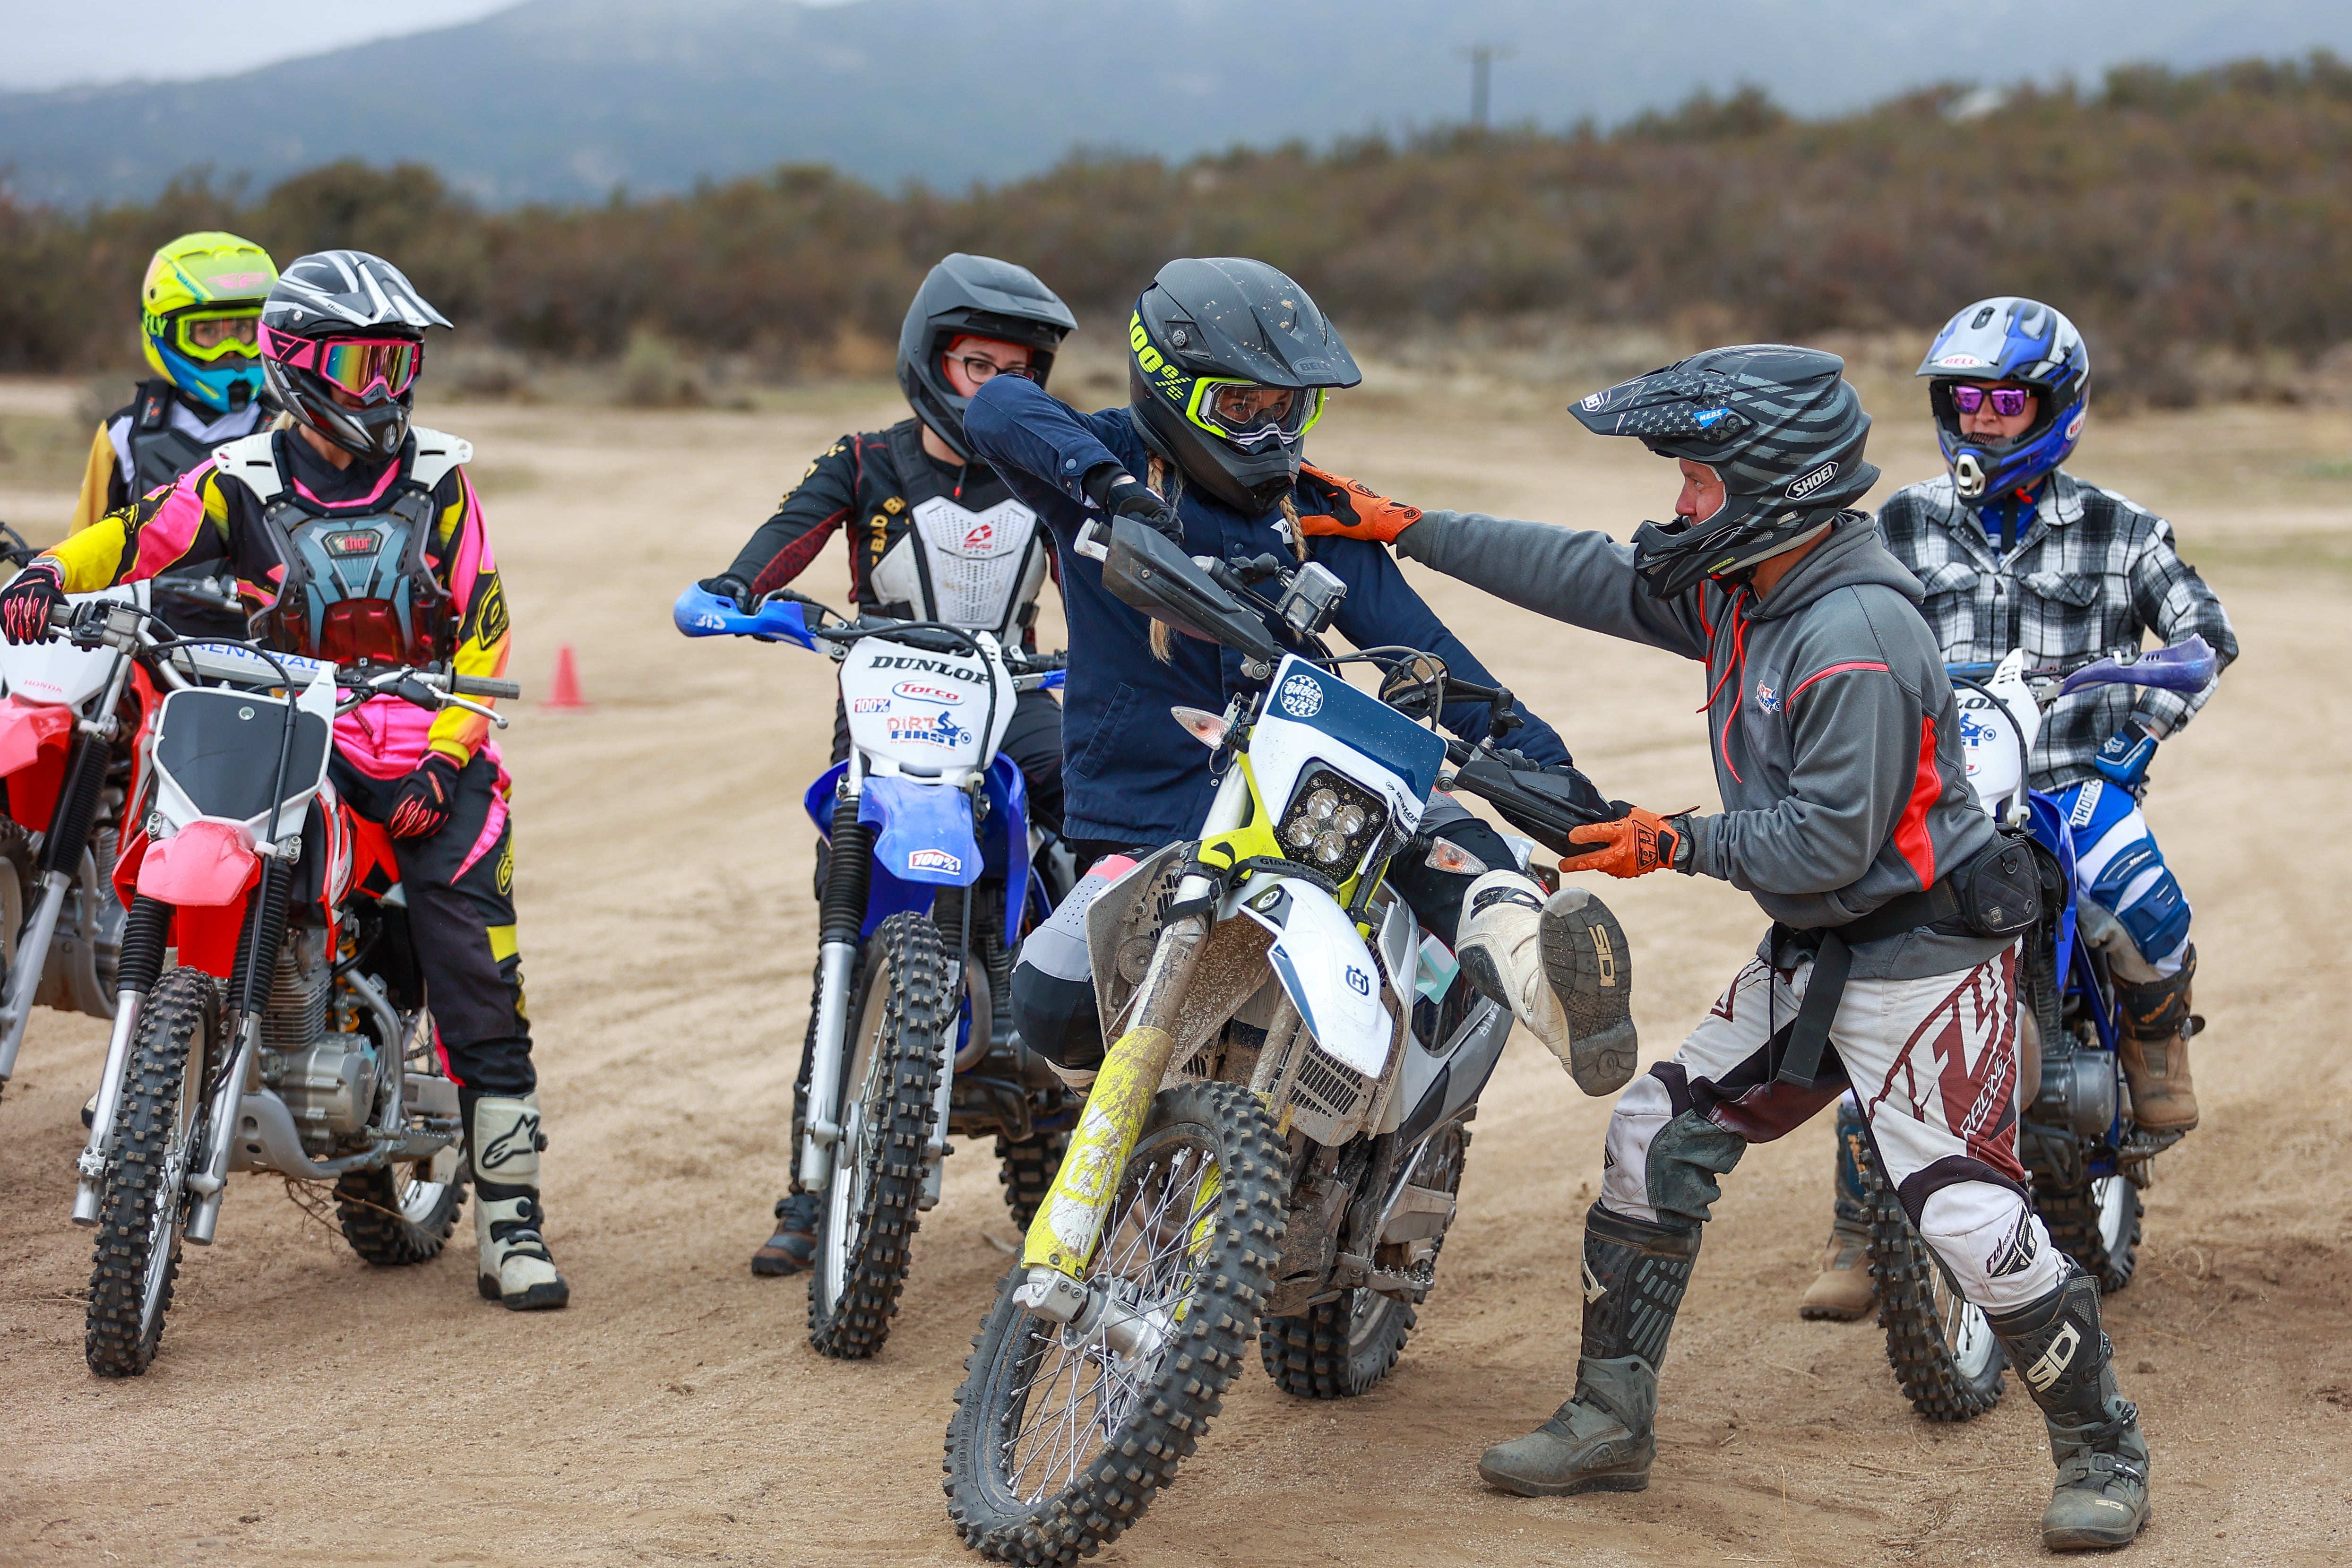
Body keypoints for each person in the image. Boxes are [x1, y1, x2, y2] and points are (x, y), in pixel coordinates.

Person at [1298, 345, 2150, 1551]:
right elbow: (1592, 575)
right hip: (1823, 951)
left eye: (1697, 480)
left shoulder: (1851, 630)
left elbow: (1828, 846)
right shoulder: (1751, 583)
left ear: (1772, 486)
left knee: (1966, 1219)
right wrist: (1411, 528)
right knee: (1653, 1134)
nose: (1679, 504)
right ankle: (1609, 1422)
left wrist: (1670, 842)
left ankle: (2105, 1450)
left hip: (1920, 956)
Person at [0, 250, 566, 1313]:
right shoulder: (241, 480)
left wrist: (445, 758)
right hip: (287, 718)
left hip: (416, 743)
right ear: (299, 364)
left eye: (399, 363)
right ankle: (173, 1067)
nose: (386, 387)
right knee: (181, 829)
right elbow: (136, 534)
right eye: (361, 364)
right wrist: (45, 574)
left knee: (472, 947)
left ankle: (511, 1220)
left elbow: (484, 631)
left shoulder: (442, 484)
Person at [966, 255, 1636, 1100]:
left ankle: (1552, 995)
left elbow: (1430, 656)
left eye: (1283, 407)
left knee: (1467, 847)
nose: (1266, 431)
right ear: (1168, 385)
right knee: (1053, 1005)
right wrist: (1118, 494)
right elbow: (997, 405)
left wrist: (1555, 778)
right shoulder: (1104, 466)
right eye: (1238, 406)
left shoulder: (1310, 511)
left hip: (1312, 793)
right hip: (1153, 816)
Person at [1794, 297, 2238, 1322]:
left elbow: (2202, 634)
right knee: (1861, 956)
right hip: (1932, 791)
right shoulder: (1894, 522)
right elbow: (1827, 621)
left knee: (2133, 886)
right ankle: (1861, 1229)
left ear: (2054, 407)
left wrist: (2141, 720)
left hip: (2068, 781)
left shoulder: (2124, 531)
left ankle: (2153, 1043)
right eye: (1964, 400)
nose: (1983, 420)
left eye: (2006, 399)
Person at [696, 253, 1081, 1278]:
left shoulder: (1056, 465)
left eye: (1020, 374)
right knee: (846, 905)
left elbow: (1120, 563)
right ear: (930, 360)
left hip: (1016, 694)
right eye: (976, 365)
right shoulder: (865, 460)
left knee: (1090, 824)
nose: (998, 389)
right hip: (889, 699)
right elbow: (782, 540)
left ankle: (1073, 1059)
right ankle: (806, 1195)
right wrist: (730, 589)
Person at [71, 232, 280, 639]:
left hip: (262, 651)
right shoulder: (127, 434)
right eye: (208, 334)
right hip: (143, 645)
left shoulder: (290, 430)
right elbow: (85, 543)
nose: (231, 351)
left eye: (244, 330)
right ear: (162, 331)